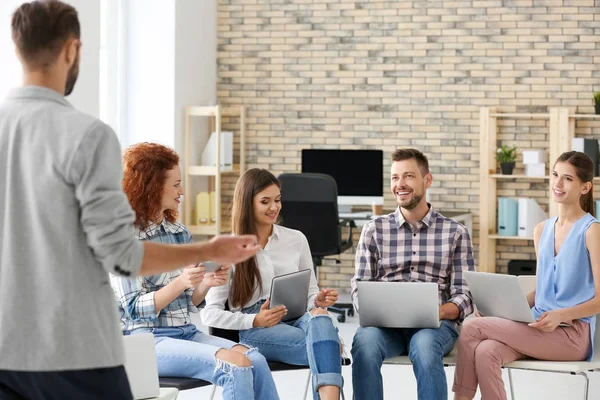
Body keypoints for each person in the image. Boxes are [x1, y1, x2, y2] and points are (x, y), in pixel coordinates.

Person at [0, 2, 259, 399]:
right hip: (72, 346)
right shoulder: (86, 134)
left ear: (16, 49)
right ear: (72, 50)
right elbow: (121, 254)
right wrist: (210, 248)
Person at [111, 143, 279, 400]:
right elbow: (133, 308)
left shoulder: (179, 233)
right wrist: (181, 281)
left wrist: (205, 283)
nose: (182, 191)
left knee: (255, 359)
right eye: (176, 184)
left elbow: (189, 303)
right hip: (146, 341)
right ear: (153, 186)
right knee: (234, 366)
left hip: (186, 332)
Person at [453, 151, 600, 400]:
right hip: (537, 325)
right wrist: (498, 309)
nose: (557, 184)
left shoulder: (592, 231)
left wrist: (560, 315)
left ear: (585, 187)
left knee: (473, 328)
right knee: (487, 351)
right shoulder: (541, 230)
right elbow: (543, 291)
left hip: (572, 334)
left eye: (567, 179)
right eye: (555, 175)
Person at [202, 168, 344, 400]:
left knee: (320, 315)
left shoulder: (296, 239)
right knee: (328, 346)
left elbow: (310, 292)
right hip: (257, 326)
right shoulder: (227, 250)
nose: (274, 208)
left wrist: (316, 300)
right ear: (247, 204)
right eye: (265, 201)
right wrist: (254, 319)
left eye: (277, 200)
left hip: (298, 315)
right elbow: (210, 314)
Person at [350, 148, 476, 400]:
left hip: (435, 326)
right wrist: (372, 307)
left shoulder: (455, 233)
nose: (400, 184)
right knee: (365, 343)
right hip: (385, 328)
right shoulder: (374, 230)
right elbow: (359, 286)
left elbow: (466, 295)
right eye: (395, 178)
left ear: (426, 180)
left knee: (425, 346)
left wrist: (436, 311)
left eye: (408, 176)